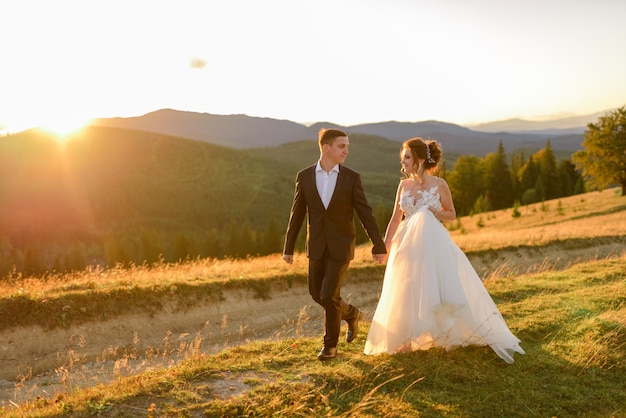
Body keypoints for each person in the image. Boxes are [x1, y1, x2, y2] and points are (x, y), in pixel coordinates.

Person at [364, 137, 525, 363]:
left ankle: (440, 332)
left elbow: (451, 214)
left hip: (432, 242)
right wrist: (384, 246)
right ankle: (407, 340)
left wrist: (433, 211)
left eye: (407, 157)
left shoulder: (439, 185)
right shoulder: (404, 185)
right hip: (406, 243)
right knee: (406, 286)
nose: (403, 162)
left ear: (420, 159)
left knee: (432, 286)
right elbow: (394, 219)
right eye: (403, 158)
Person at [283, 128, 387, 361]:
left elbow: (365, 213)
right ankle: (352, 314)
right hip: (317, 246)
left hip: (341, 246)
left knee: (329, 295)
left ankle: (330, 346)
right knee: (316, 294)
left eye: (347, 147)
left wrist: (378, 244)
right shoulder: (305, 176)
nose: (346, 151)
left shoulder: (351, 178)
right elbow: (297, 214)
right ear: (326, 147)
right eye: (342, 146)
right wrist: (288, 247)